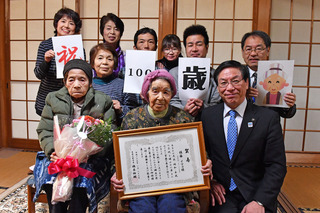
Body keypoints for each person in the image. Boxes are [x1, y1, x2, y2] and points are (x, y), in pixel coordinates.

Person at [111, 69, 212, 213]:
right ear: (146, 93)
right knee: (143, 208)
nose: (160, 97)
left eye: (166, 92)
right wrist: (117, 173)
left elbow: (199, 153)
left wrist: (206, 162)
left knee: (170, 206)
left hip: (174, 185)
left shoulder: (183, 118)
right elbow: (120, 155)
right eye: (155, 91)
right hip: (141, 185)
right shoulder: (132, 117)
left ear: (172, 95)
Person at [201, 60, 286, 213]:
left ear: (247, 83)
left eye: (235, 81)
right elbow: (203, 155)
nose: (230, 88)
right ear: (218, 87)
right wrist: (210, 182)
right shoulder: (208, 116)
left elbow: (276, 166)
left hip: (256, 193)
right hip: (222, 194)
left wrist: (260, 201)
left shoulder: (267, 118)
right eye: (223, 83)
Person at [34, 59, 116, 213]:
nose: (77, 84)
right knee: (51, 176)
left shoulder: (103, 100)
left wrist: (88, 153)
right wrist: (53, 151)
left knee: (82, 181)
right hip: (58, 155)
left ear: (90, 83)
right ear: (65, 82)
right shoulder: (53, 98)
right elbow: (44, 129)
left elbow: (110, 132)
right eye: (71, 80)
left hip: (90, 158)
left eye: (82, 79)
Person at [34, 7, 82, 116]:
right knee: (48, 131)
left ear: (75, 28)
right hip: (47, 98)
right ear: (56, 24)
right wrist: (46, 61)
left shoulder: (78, 47)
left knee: (69, 131)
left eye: (71, 23)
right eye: (63, 21)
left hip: (70, 99)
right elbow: (38, 74)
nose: (66, 26)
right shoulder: (45, 45)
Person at [241, 30, 296, 118]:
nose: (253, 53)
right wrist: (242, 96)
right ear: (242, 52)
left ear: (268, 50)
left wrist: (289, 105)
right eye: (248, 49)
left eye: (259, 49)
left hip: (269, 127)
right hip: (242, 127)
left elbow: (288, 114)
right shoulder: (236, 74)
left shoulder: (278, 75)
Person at [169, 25, 221, 117]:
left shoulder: (216, 75)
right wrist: (183, 109)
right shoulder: (173, 73)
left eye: (199, 44)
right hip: (181, 123)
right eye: (190, 45)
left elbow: (216, 103)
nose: (194, 49)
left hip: (207, 121)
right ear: (185, 48)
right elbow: (171, 100)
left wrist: (203, 107)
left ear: (207, 47)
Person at [90, 43, 137, 123]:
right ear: (92, 63)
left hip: (117, 131)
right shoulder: (87, 85)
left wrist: (120, 109)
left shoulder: (124, 85)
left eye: (109, 59)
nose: (105, 62)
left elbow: (134, 114)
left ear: (115, 64)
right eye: (100, 58)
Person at [100, 13, 125, 77]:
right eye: (108, 28)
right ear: (102, 31)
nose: (112, 32)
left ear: (121, 33)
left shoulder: (126, 57)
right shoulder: (95, 54)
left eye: (116, 29)